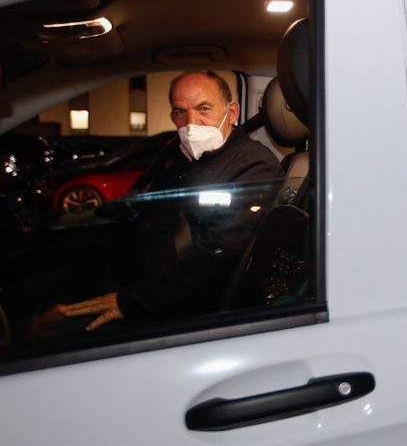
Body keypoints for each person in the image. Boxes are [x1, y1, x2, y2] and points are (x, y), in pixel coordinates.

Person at [42, 71, 284, 332]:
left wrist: (128, 302)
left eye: (204, 108)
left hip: (175, 306)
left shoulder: (253, 165)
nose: (192, 122)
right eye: (180, 112)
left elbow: (218, 255)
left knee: (49, 333)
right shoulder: (182, 158)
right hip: (137, 278)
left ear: (232, 112)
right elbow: (144, 208)